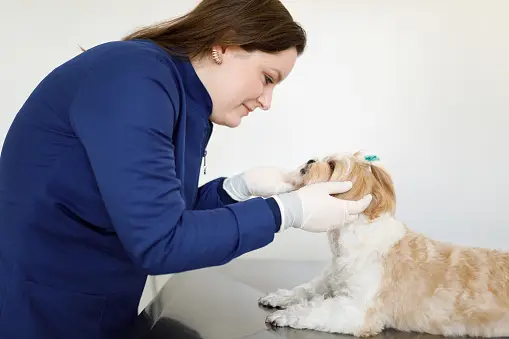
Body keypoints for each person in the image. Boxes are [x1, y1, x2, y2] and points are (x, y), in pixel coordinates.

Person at [0, 0, 372, 338]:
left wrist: (235, 190)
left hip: (94, 305)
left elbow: (166, 212)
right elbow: (161, 240)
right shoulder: (133, 79)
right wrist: (285, 212)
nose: (266, 101)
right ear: (225, 44)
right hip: (44, 313)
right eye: (267, 78)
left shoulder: (183, 101)